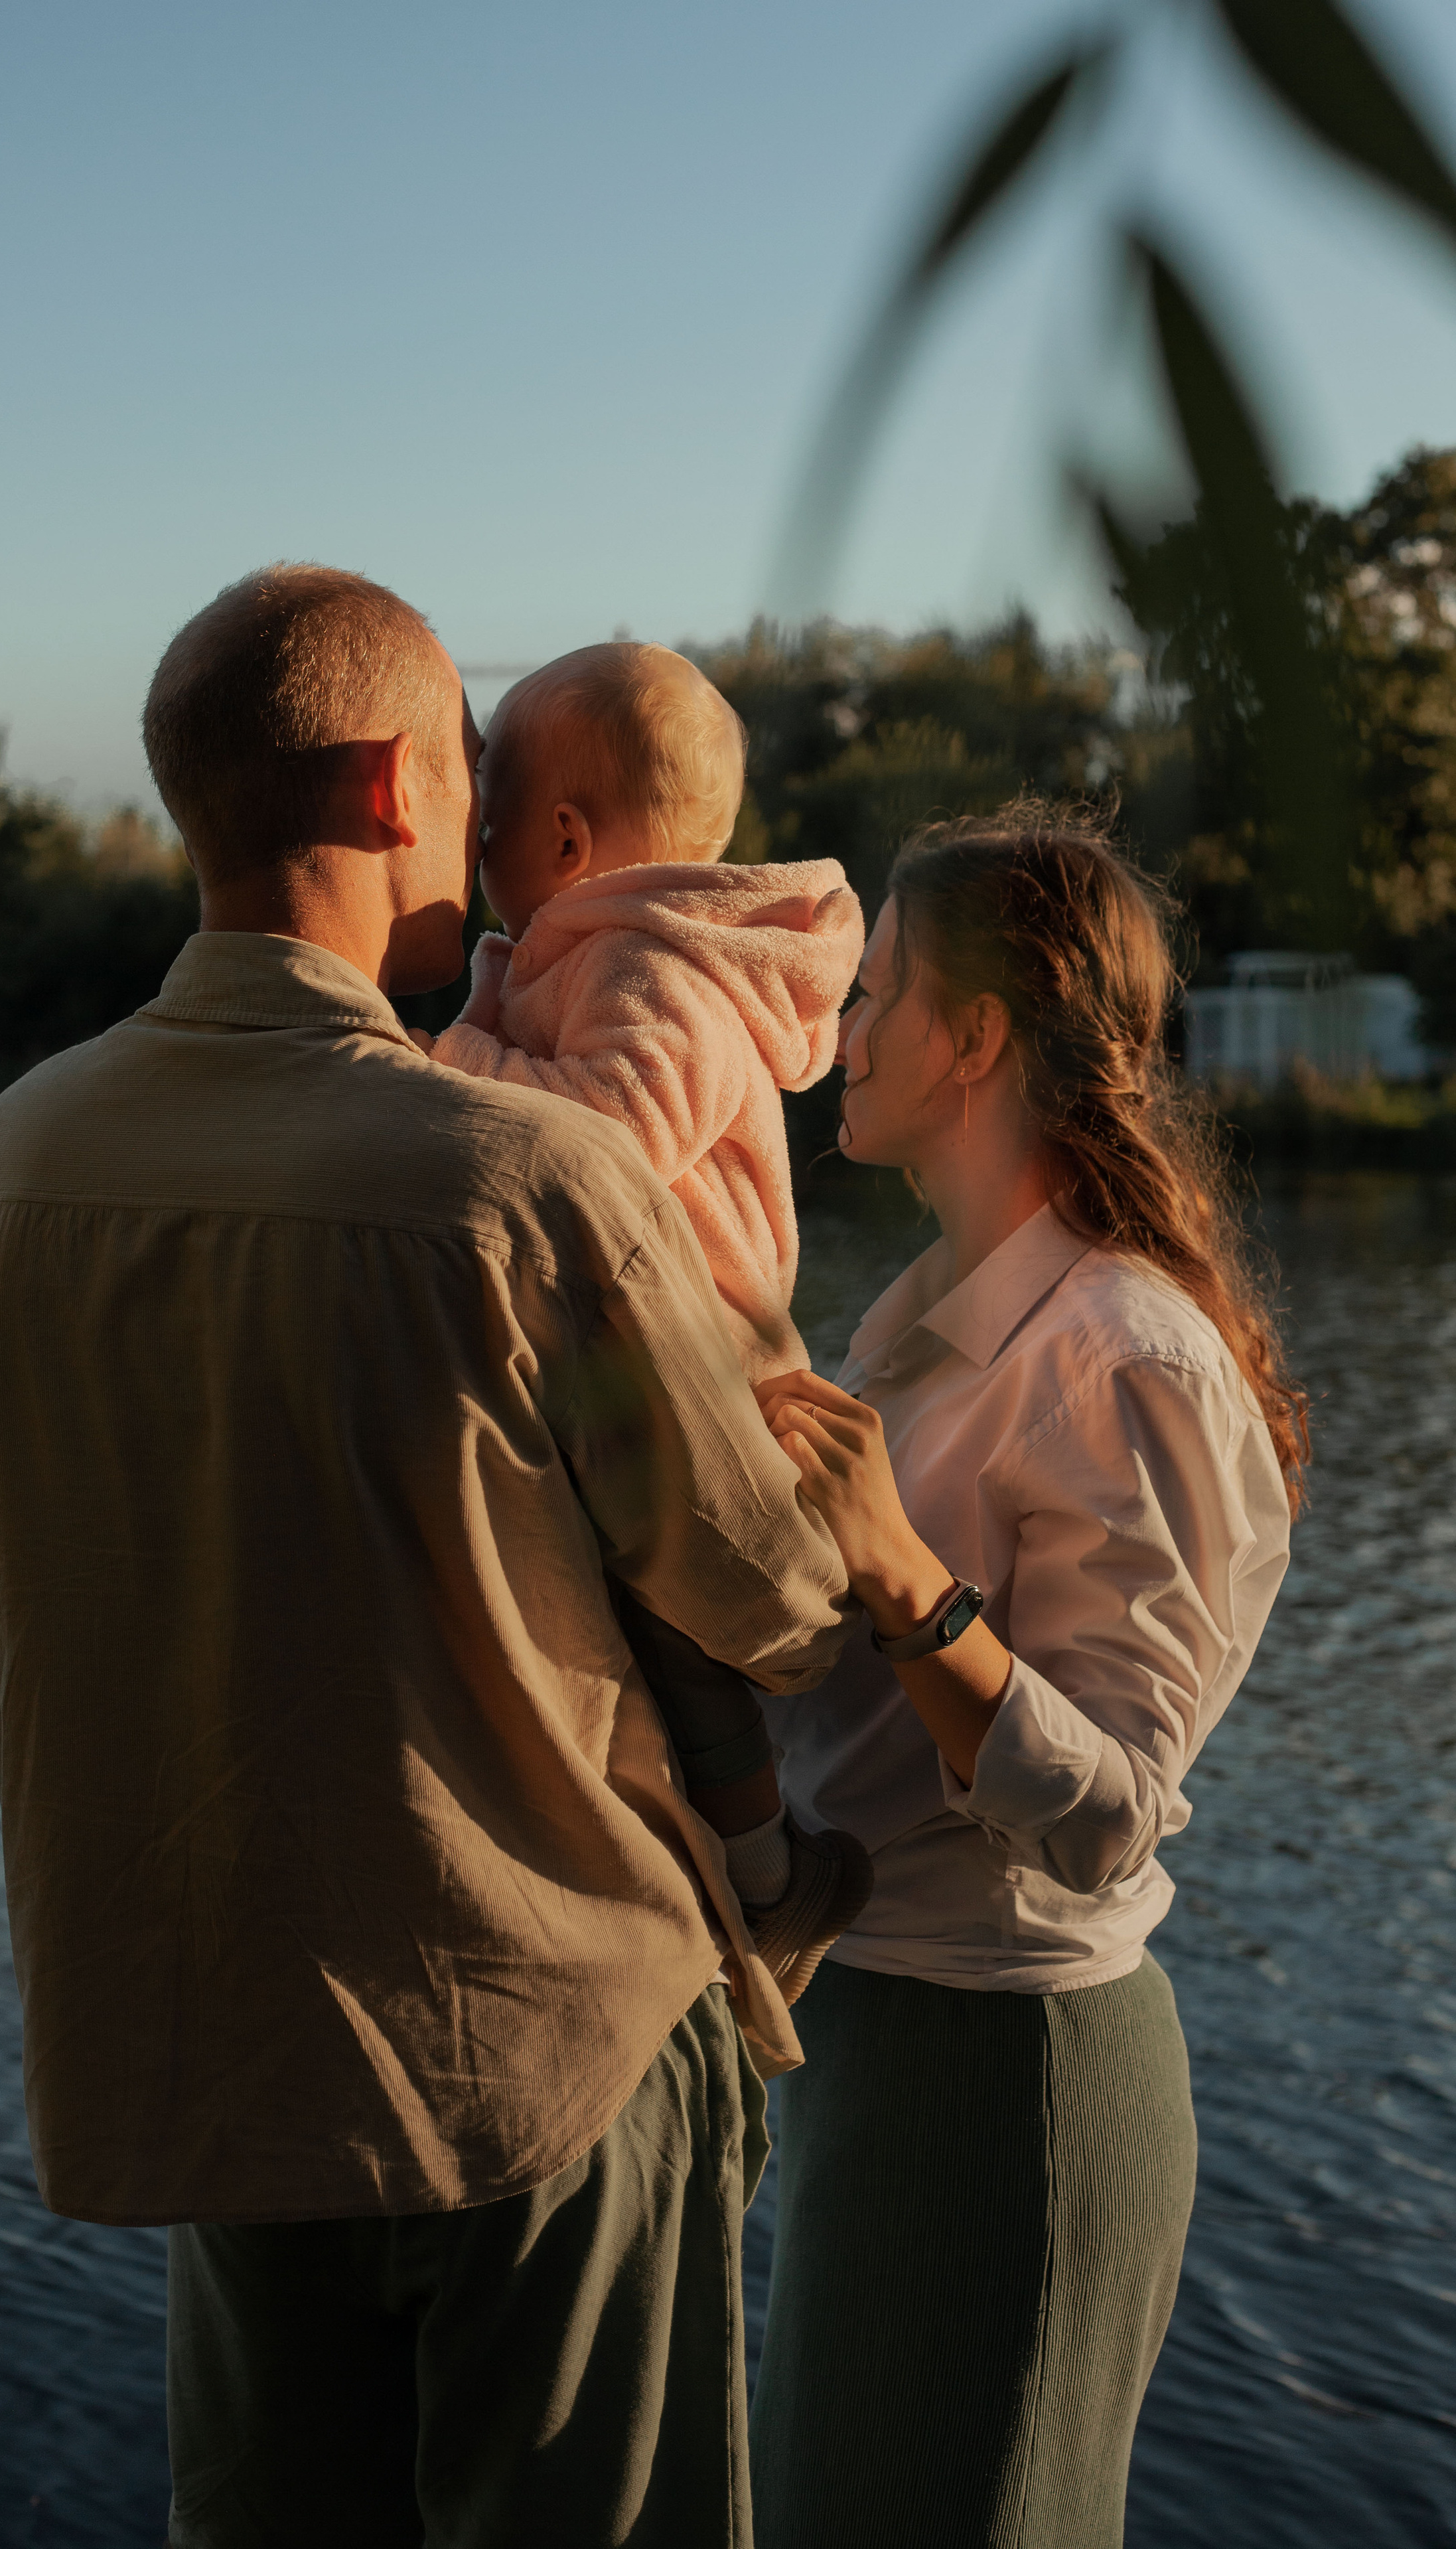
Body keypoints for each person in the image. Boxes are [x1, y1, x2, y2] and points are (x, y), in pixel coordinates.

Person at [0, 566, 855, 2549]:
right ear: (382, 791)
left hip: (232, 2085)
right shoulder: (531, 1179)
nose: (496, 859)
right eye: (469, 781)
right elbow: (764, 1600)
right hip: (550, 2064)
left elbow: (7, 1573)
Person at [746, 804, 1303, 2549]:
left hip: (1013, 2087)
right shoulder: (928, 1319)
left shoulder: (1124, 1354)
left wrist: (896, 1565)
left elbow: (1113, 1818)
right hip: (890, 2051)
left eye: (876, 994)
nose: (839, 1037)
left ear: (973, 1034)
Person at [426, 640, 869, 1999]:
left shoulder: (650, 969)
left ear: (560, 834)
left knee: (679, 1634)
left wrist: (445, 1062)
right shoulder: (591, 951)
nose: (472, 841)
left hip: (703, 1367)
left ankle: (766, 1875)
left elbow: (607, 1138)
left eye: (487, 813)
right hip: (630, 1355)